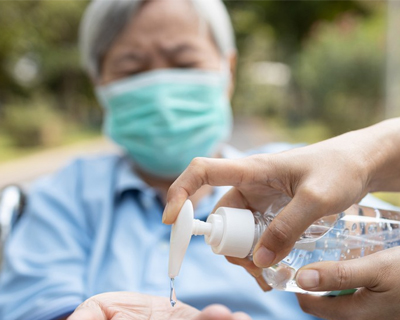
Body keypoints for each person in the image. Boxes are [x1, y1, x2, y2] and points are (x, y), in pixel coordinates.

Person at [0, 1, 322, 320]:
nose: (162, 92)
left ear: (229, 70)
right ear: (99, 82)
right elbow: (34, 305)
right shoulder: (65, 197)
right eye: (133, 69)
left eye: (183, 63)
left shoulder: (298, 179)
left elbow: (360, 264)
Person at [163, 117, 400, 320]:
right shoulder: (274, 273)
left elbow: (384, 227)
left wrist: (364, 157)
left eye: (185, 62)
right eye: (133, 69)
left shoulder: (291, 178)